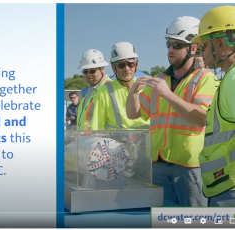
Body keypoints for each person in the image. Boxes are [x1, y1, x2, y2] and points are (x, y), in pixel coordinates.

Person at [126, 16, 219, 206]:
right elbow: (133, 114)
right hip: (158, 164)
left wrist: (168, 95)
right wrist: (133, 93)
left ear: (194, 48)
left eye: (177, 45)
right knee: (162, 220)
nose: (170, 50)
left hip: (190, 167)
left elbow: (201, 119)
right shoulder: (160, 79)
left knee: (194, 221)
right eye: (168, 44)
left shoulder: (205, 78)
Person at [191, 5, 235, 207]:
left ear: (220, 43)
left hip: (230, 191)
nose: (201, 52)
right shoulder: (229, 78)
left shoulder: (233, 79)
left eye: (203, 46)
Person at [91, 42, 149, 129]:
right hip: (118, 142)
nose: (126, 69)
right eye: (121, 65)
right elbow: (97, 128)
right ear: (114, 68)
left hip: (148, 142)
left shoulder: (147, 87)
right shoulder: (104, 91)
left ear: (136, 65)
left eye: (131, 64)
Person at [76, 49, 112, 130]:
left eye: (92, 71)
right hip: (87, 139)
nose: (88, 75)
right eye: (85, 72)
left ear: (102, 69)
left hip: (101, 140)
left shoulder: (109, 89)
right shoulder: (90, 91)